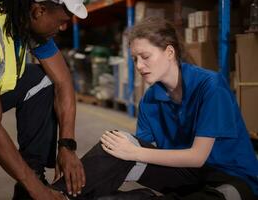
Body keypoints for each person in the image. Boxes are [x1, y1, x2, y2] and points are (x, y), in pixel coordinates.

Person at [51, 17, 258, 200]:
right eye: (135, 59)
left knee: (131, 152)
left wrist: (134, 153)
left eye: (145, 56)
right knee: (117, 143)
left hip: (231, 180)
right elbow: (132, 155)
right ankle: (56, 195)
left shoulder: (210, 86)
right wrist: (123, 152)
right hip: (186, 174)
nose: (139, 66)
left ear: (169, 52)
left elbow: (197, 156)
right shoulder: (150, 100)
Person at [0, 0, 87, 199]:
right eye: (61, 21)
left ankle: (32, 175)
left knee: (43, 80)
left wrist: (67, 146)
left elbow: (63, 81)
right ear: (39, 10)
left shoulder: (24, 21)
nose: (63, 27)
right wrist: (39, 192)